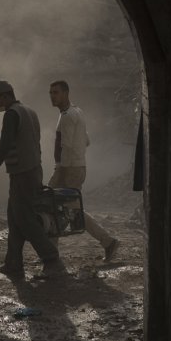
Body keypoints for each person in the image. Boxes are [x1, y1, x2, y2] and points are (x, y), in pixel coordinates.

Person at [0, 80, 67, 280]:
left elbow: (4, 145)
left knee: (25, 219)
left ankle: (52, 259)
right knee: (14, 216)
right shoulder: (29, 110)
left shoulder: (12, 114)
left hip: (23, 174)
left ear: (3, 96)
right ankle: (13, 263)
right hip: (33, 170)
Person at [48, 80, 120, 261]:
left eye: (56, 92)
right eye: (51, 92)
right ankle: (51, 254)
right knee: (63, 207)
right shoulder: (77, 112)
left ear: (65, 93)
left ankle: (51, 255)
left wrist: (60, 170)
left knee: (52, 204)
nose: (52, 96)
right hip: (76, 167)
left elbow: (67, 146)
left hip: (68, 169)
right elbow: (86, 140)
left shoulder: (66, 116)